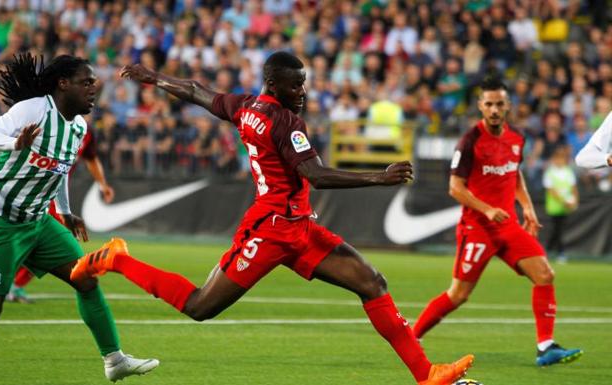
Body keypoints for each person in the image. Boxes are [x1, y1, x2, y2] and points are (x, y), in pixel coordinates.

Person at [71, 51, 474, 385]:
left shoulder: (247, 106)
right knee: (199, 307)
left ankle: (426, 374)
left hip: (299, 227)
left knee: (372, 283)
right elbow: (314, 174)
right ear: (273, 83)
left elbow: (196, 92)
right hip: (270, 231)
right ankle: (116, 259)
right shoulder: (284, 121)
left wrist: (152, 76)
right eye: (295, 85)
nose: (302, 92)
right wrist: (378, 176)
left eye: (303, 83)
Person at [0, 53, 158, 382]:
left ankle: (115, 360)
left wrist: (65, 211)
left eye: (93, 82)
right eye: (86, 82)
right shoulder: (34, 109)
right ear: (63, 84)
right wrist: (14, 144)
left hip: (38, 221)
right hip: (0, 219)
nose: (94, 88)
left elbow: (59, 171)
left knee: (85, 278)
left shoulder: (78, 127)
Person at [411, 77, 583, 367]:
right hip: (477, 228)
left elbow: (513, 174)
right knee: (459, 294)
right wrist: (487, 209)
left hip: (508, 225)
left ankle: (546, 347)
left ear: (508, 106)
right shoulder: (469, 142)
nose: (494, 109)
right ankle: (412, 337)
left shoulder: (517, 138)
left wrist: (527, 207)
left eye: (499, 104)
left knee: (544, 274)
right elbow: (455, 188)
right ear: (480, 106)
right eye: (488, 104)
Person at [6, 128, 115, 303]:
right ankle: (10, 283)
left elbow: (91, 158)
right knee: (52, 240)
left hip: (53, 195)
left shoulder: (85, 132)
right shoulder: (48, 123)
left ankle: (12, 284)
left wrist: (103, 184)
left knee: (46, 240)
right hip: (29, 191)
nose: (89, 101)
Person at [543, 146, 578, 262]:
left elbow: (573, 189)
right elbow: (551, 190)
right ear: (554, 159)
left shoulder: (568, 172)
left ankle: (557, 252)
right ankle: (554, 252)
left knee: (560, 231)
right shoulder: (550, 172)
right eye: (557, 158)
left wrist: (574, 202)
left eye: (562, 158)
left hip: (565, 209)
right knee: (553, 231)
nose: (560, 160)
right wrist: (565, 201)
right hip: (553, 208)